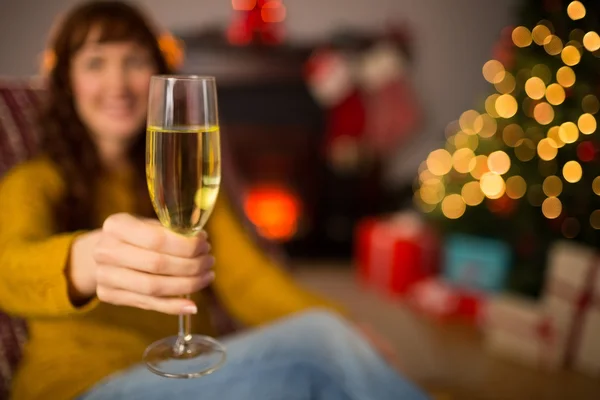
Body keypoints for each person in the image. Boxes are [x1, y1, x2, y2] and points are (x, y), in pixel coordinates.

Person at [0, 1, 429, 400]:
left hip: (192, 373)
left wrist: (347, 325)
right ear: (67, 82)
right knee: (320, 352)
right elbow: (8, 269)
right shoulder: (35, 180)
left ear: (158, 75)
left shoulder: (184, 179)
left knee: (330, 362)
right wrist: (84, 261)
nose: (117, 83)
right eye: (95, 63)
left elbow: (247, 281)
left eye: (133, 61)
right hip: (83, 386)